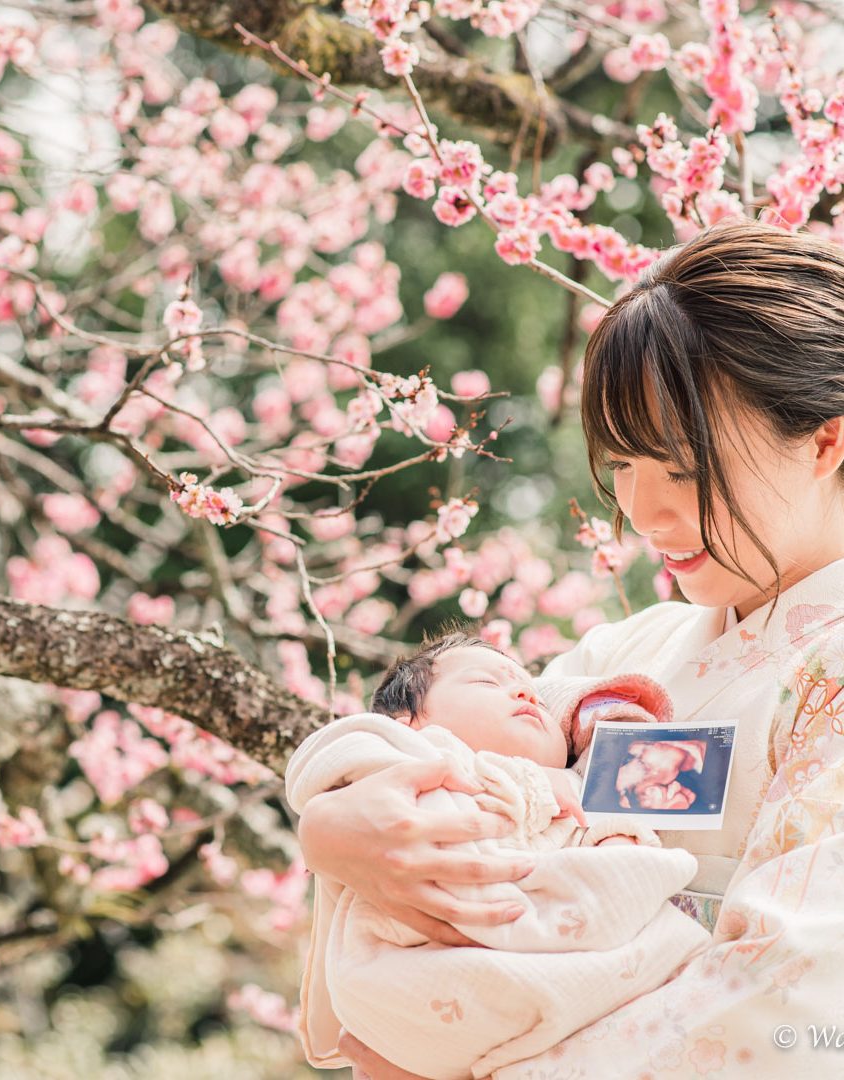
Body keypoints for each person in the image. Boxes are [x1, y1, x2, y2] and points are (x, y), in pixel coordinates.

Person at [296, 220, 844, 1078]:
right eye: (622, 465)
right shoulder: (631, 653)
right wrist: (334, 823)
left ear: (826, 440)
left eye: (683, 467)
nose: (644, 513)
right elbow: (456, 768)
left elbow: (790, 999)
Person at [284, 633, 708, 1079]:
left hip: (551, 989)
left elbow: (618, 873)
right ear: (408, 721)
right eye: (487, 682)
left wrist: (618, 841)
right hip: (420, 974)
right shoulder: (412, 756)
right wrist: (320, 820)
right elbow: (332, 752)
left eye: (537, 697)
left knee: (669, 934)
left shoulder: (578, 802)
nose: (527, 694)